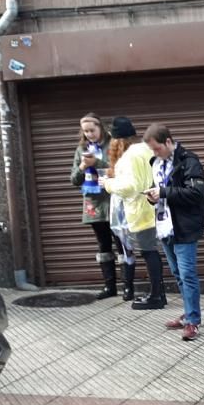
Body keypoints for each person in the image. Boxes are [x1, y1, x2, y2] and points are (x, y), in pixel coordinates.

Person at [143, 123, 204, 342]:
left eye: (157, 148)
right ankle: (188, 313)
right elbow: (159, 190)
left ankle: (193, 322)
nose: (154, 153)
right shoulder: (155, 163)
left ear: (168, 141)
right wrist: (153, 196)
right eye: (152, 150)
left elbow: (196, 193)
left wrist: (163, 192)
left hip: (185, 226)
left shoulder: (189, 161)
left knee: (187, 274)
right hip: (165, 226)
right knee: (178, 274)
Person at [100, 117, 166, 310]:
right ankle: (158, 293)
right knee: (152, 252)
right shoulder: (145, 149)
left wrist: (108, 184)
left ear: (117, 139)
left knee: (149, 252)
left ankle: (156, 296)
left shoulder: (130, 156)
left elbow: (132, 186)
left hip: (142, 210)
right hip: (153, 207)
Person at [70, 113, 126, 300]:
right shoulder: (82, 149)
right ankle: (109, 287)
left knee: (121, 243)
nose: (89, 134)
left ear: (100, 127)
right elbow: (74, 180)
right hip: (94, 203)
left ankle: (128, 286)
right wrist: (82, 167)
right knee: (103, 245)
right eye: (85, 131)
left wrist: (98, 163)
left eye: (92, 130)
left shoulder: (114, 144)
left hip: (113, 199)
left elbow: (120, 169)